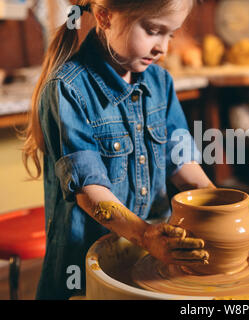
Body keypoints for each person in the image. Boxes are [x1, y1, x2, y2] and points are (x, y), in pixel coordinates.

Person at [22, 0, 215, 299]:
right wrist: (144, 235)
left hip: (151, 252)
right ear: (105, 17)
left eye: (171, 35)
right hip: (84, 261)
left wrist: (217, 202)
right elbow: (90, 190)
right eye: (153, 31)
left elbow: (179, 160)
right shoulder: (67, 89)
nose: (162, 47)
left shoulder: (161, 82)